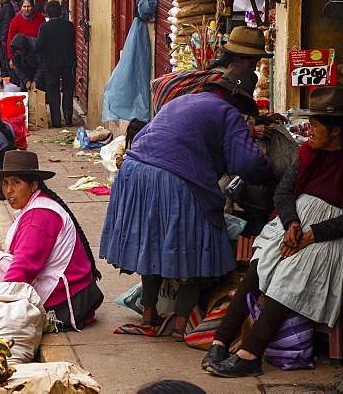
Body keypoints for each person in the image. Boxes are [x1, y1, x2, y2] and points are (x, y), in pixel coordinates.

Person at [204, 86, 343, 378]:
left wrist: (310, 235)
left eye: (315, 126)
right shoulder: (308, 152)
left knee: (294, 270)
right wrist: (291, 224)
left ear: (337, 130)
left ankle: (250, 354)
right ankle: (220, 341)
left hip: (340, 235)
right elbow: (285, 192)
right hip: (298, 223)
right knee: (263, 259)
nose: (309, 131)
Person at [99, 64, 273, 338]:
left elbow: (148, 135)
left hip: (134, 173)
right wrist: (271, 168)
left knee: (153, 244)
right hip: (174, 179)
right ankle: (181, 324)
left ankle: (149, 314)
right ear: (239, 100)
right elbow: (245, 162)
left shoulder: (184, 100)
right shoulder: (229, 113)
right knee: (197, 248)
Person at [0, 150, 104, 330]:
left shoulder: (38, 217)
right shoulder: (37, 206)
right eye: (5, 183)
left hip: (67, 298)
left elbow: (23, 268)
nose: (9, 190)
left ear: (33, 186)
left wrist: (1, 304)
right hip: (73, 289)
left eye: (16, 183)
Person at [150, 26, 271, 115]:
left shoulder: (223, 77)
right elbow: (224, 121)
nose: (253, 68)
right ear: (237, 57)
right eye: (251, 62)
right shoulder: (223, 83)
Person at [35, 1, 77, 128]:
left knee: (53, 91)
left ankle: (56, 120)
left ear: (47, 12)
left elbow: (39, 46)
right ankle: (68, 117)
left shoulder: (44, 28)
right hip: (68, 62)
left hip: (51, 63)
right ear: (61, 11)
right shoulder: (69, 26)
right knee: (68, 89)